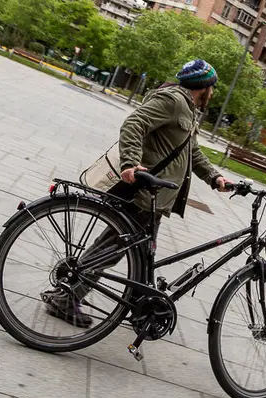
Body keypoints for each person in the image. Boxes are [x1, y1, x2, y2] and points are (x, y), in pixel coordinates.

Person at [45, 59, 232, 327]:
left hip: (157, 198)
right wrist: (130, 163)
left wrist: (214, 177)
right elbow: (134, 123)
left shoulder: (188, 109)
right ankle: (67, 296)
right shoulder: (174, 101)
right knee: (112, 249)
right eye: (212, 88)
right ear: (204, 87)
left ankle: (140, 310)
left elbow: (192, 151)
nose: (212, 93)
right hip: (143, 193)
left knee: (142, 257)